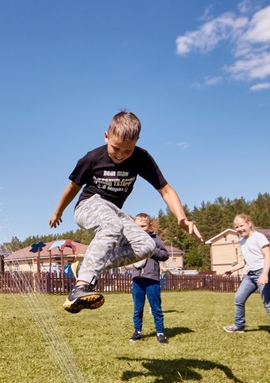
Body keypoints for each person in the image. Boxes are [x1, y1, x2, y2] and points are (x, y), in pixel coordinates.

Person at [49, 110, 202, 313]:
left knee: (146, 246)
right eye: (116, 148)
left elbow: (165, 189)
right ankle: (81, 286)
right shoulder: (92, 158)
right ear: (106, 136)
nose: (120, 155)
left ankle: (86, 267)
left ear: (136, 143)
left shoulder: (141, 158)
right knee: (112, 225)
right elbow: (72, 188)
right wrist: (57, 212)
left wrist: (181, 217)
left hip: (115, 212)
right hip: (88, 205)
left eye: (127, 151)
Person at [222, 214, 270, 342]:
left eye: (241, 225)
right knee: (238, 298)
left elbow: (267, 256)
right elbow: (246, 261)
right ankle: (238, 326)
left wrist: (264, 274)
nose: (239, 229)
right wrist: (232, 270)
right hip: (250, 275)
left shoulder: (259, 237)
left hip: (263, 272)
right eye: (236, 227)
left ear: (249, 223)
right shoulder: (242, 241)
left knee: (269, 304)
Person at [128, 213, 169, 343]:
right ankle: (137, 331)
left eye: (143, 226)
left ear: (149, 225)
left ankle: (160, 332)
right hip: (137, 278)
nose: (140, 229)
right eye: (137, 226)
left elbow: (164, 255)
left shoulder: (155, 239)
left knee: (156, 307)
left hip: (152, 278)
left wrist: (152, 250)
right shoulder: (132, 239)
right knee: (138, 307)